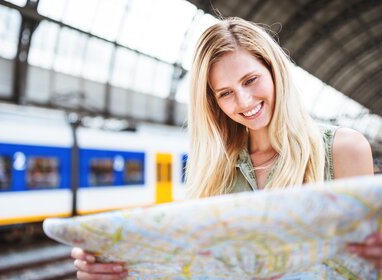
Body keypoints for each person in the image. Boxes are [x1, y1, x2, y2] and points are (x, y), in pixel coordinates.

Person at [71, 17, 380, 279]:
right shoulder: (213, 172)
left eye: (251, 80)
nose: (244, 102)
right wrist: (114, 270)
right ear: (214, 102)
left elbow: (364, 269)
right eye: (226, 93)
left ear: (275, 72)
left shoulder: (342, 149)